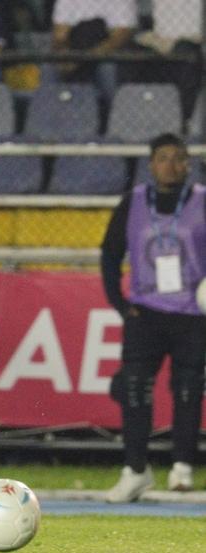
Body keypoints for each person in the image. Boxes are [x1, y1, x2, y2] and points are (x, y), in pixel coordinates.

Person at [101, 133, 206, 503]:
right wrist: (120, 303)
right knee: (133, 389)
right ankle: (135, 470)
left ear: (188, 164)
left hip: (193, 314)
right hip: (144, 313)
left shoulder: (201, 201)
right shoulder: (133, 202)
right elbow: (110, 253)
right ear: (150, 163)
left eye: (179, 158)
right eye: (163, 157)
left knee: (189, 390)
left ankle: (182, 468)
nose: (171, 164)